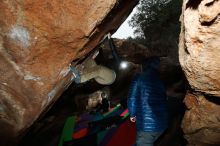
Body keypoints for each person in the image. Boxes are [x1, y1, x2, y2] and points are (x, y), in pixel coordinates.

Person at [127, 57, 168, 146]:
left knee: (143, 142)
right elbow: (165, 99)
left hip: (147, 125)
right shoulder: (160, 81)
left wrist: (132, 114)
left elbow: (132, 98)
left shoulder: (139, 78)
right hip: (162, 124)